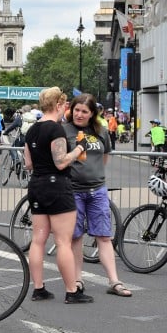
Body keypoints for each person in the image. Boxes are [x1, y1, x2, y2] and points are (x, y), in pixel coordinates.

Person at [23, 86, 91, 304]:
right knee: (63, 242)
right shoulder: (56, 129)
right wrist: (79, 148)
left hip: (37, 185)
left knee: (38, 239)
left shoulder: (32, 130)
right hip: (57, 186)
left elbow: (28, 163)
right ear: (59, 105)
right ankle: (72, 290)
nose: (66, 110)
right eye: (65, 105)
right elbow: (61, 162)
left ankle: (39, 288)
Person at [64, 94, 132, 297]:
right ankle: (77, 280)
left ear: (92, 113)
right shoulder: (64, 130)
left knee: (103, 236)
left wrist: (93, 175)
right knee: (75, 237)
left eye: (84, 111)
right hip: (73, 190)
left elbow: (104, 158)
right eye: (77, 110)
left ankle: (114, 281)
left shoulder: (100, 131)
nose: (79, 114)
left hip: (98, 190)